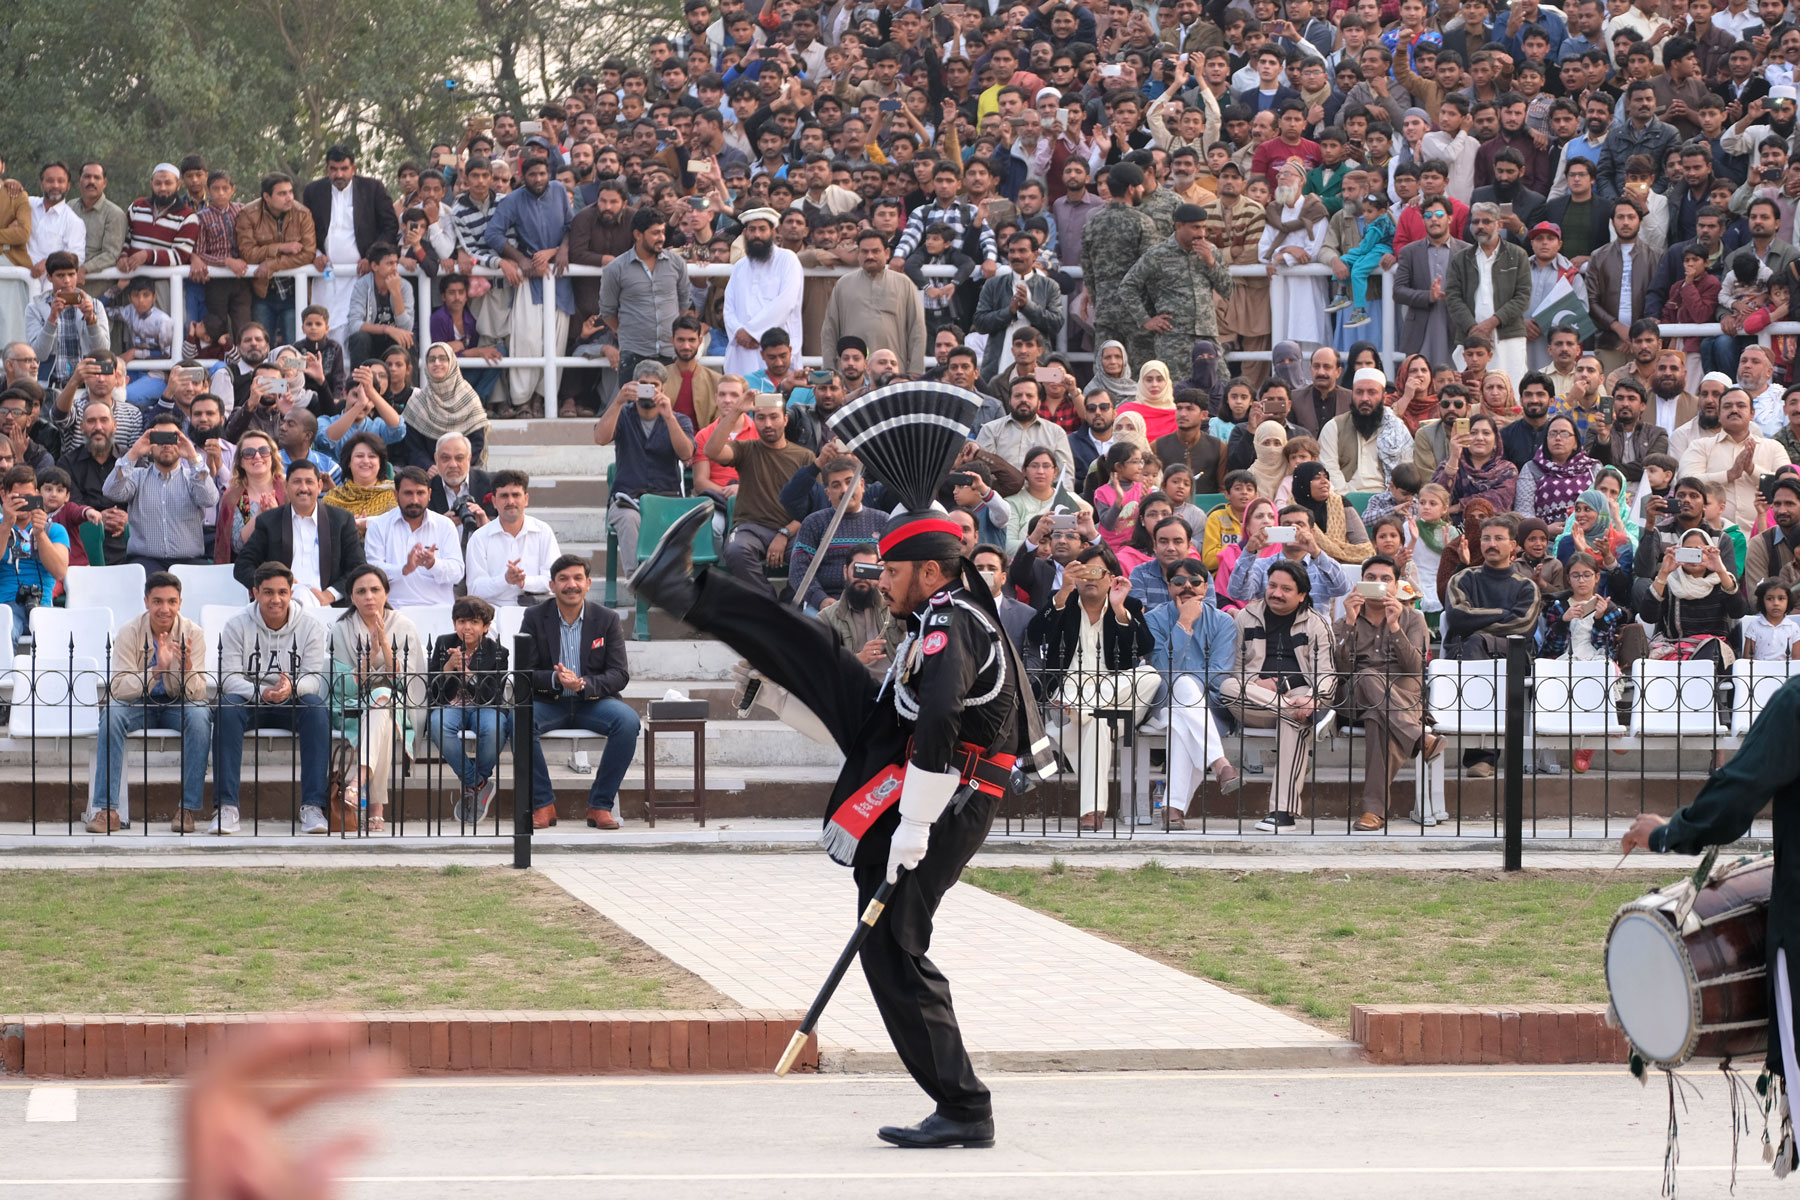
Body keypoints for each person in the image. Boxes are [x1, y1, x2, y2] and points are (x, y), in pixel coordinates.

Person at [630, 382, 1054, 1147]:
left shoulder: (952, 628)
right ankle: (683, 587)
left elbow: (938, 724)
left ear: (929, 570)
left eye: (892, 571)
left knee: (895, 946)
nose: (878, 581)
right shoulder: (933, 611)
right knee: (813, 651)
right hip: (903, 756)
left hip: (945, 792)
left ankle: (963, 1107)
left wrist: (915, 829)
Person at [520, 555, 638, 830]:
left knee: (628, 722)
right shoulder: (535, 617)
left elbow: (619, 674)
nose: (570, 585)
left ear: (588, 584)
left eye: (577, 578)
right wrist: (556, 680)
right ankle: (543, 804)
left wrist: (582, 684)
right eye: (563, 579)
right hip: (550, 701)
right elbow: (523, 672)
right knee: (519, 720)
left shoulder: (606, 619)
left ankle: (600, 805)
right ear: (552, 585)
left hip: (593, 702)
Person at [213, 563, 332, 834]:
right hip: (250, 698)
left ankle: (313, 807)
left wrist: (292, 688)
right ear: (254, 592)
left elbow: (314, 679)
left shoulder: (311, 627)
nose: (275, 599)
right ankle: (226, 808)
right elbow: (229, 678)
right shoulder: (236, 625)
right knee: (227, 707)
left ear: (291, 593)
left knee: (316, 708)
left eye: (282, 592)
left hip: (292, 698)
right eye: (267, 592)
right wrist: (260, 692)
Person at [1223, 559, 1338, 831]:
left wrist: (1311, 700)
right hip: (1253, 701)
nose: (1276, 593)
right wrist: (1261, 685)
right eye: (1272, 586)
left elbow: (1327, 676)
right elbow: (1235, 671)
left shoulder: (1317, 624)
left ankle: (1282, 814)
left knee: (1295, 720)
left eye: (1286, 589)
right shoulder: (1246, 617)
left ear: (1301, 595)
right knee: (1227, 686)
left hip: (1302, 698)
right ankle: (1306, 714)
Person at [93, 571, 211, 834]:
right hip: (138, 704)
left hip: (178, 703)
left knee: (201, 717)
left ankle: (187, 809)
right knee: (111, 714)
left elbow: (198, 693)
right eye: (157, 601)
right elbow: (119, 687)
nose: (164, 608)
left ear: (180, 602)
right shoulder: (129, 631)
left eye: (171, 601)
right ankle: (107, 810)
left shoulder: (194, 633)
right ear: (146, 601)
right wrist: (156, 671)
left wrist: (186, 669)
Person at [1335, 555, 1438, 831]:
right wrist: (1349, 622)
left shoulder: (1413, 619)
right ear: (1360, 583)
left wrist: (1394, 626)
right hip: (1356, 697)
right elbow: (1341, 668)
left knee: (1378, 719)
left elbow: (1414, 667)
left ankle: (1372, 811)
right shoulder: (1348, 617)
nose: (1378, 583)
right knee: (1368, 676)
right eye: (1371, 578)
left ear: (1396, 586)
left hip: (1401, 701)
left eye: (1385, 579)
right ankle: (1418, 737)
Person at [1141, 557, 1243, 827]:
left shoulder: (1222, 622)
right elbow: (1161, 670)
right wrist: (1183, 625)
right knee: (1182, 689)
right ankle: (1220, 764)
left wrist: (1187, 682)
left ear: (1206, 587)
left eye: (1195, 581)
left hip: (1208, 707)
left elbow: (1219, 675)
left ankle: (1172, 809)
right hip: (1160, 703)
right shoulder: (1154, 619)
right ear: (1168, 586)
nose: (1187, 586)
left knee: (1182, 720)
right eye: (1178, 581)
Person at [1442, 514, 1543, 777]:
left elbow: (1523, 625)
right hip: (1468, 654)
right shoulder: (1463, 579)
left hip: (1512, 654)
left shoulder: (1527, 587)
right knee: (1475, 644)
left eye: (1499, 538)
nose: (1491, 544)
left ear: (1514, 546)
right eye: (1486, 538)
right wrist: (1501, 612)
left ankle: (1484, 756)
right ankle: (1482, 756)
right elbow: (1456, 617)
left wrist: (1477, 621)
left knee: (1477, 640)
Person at [327, 563, 426, 832]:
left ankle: (357, 784)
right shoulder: (341, 629)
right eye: (361, 591)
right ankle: (376, 806)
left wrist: (384, 644)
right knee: (380, 706)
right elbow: (341, 686)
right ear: (352, 596)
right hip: (352, 705)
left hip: (398, 704)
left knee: (383, 699)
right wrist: (370, 654)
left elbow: (408, 681)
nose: (369, 596)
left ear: (386, 593)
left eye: (375, 589)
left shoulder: (403, 625)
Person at [483, 156, 575, 413]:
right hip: (530, 280)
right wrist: (521, 259)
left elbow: (571, 226)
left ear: (549, 173)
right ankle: (522, 400)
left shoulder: (558, 190)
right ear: (522, 177)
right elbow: (492, 233)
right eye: (532, 174)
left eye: (542, 173)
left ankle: (542, 400)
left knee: (555, 343)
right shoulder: (514, 200)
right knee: (527, 341)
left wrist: (561, 250)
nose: (538, 179)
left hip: (559, 278)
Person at [705, 389, 813, 597]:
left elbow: (814, 506)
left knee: (809, 554)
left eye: (774, 417)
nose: (768, 424)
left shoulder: (804, 456)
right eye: (761, 418)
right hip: (750, 528)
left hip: (792, 530)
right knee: (736, 551)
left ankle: (791, 602)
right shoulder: (745, 449)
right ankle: (768, 603)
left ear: (785, 419)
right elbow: (711, 451)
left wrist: (784, 534)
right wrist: (737, 410)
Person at [595, 363, 697, 576]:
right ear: (633, 384)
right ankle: (638, 579)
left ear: (663, 389)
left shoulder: (679, 419)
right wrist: (618, 400)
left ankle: (667, 580)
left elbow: (686, 453)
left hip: (666, 499)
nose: (648, 389)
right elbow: (600, 438)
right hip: (627, 498)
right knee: (629, 519)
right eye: (643, 384)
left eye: (654, 385)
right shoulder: (622, 414)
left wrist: (668, 417)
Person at [427, 594, 513, 822]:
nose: (467, 627)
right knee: (437, 724)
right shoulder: (443, 643)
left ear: (485, 627)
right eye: (462, 621)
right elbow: (434, 694)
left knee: (494, 727)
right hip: (452, 705)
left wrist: (468, 674)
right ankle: (478, 783)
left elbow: (493, 695)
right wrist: (447, 668)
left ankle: (472, 787)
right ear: (454, 623)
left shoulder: (498, 652)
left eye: (474, 622)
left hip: (484, 706)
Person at [232, 460, 365, 604]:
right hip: (280, 607)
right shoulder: (269, 521)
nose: (303, 488)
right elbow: (243, 565)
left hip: (329, 608)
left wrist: (329, 595)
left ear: (320, 486)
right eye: (297, 482)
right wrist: (272, 584)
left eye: (309, 482)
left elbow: (357, 567)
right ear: (286, 486)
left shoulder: (341, 520)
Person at [101, 413, 220, 573]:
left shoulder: (194, 477)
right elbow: (111, 491)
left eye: (172, 438)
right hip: (145, 562)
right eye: (159, 438)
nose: (166, 444)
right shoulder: (137, 476)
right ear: (150, 445)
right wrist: (133, 453)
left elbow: (210, 499)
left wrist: (193, 456)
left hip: (189, 562)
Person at [1679, 388, 1789, 531]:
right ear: (1719, 415)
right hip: (1710, 538)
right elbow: (1686, 481)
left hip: (1763, 539)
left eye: (1741, 405)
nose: (1734, 410)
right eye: (1727, 406)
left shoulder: (1773, 447)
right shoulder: (1701, 446)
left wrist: (1751, 469)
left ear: (1752, 414)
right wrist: (1729, 475)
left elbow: (1789, 485)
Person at [820, 229, 927, 376]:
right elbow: (829, 330)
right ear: (858, 254)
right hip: (853, 374)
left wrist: (915, 371)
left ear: (887, 253)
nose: (870, 256)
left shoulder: (903, 283)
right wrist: (829, 370)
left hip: (894, 372)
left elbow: (917, 329)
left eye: (876, 251)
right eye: (864, 251)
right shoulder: (843, 284)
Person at [1447, 203, 1533, 383]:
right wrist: (1473, 328)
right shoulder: (1460, 259)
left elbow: (1523, 296)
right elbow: (1453, 297)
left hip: (1508, 335)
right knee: (1470, 389)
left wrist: (1492, 323)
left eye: (1486, 221)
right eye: (1476, 222)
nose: (1480, 226)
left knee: (1510, 387)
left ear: (1499, 225)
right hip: (1470, 338)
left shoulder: (1517, 255)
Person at [362, 466, 464, 608]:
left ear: (429, 494)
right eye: (408, 493)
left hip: (438, 609)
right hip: (393, 610)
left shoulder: (445, 525)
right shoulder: (379, 525)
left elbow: (457, 572)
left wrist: (433, 564)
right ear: (396, 495)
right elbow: (373, 571)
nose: (414, 500)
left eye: (420, 493)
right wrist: (404, 569)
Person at [722, 208, 805, 377]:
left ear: (773, 232)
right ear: (745, 234)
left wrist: (752, 332)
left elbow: (786, 302)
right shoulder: (740, 267)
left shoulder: (787, 259)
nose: (757, 235)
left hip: (777, 348)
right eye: (752, 230)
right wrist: (738, 331)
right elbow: (729, 307)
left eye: (762, 229)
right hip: (743, 349)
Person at [465, 469, 560, 607]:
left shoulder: (543, 531)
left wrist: (524, 582)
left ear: (526, 499)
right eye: (504, 496)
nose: (510, 501)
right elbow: (474, 589)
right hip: (493, 615)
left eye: (516, 495)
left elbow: (554, 580)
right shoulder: (479, 538)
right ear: (494, 501)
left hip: (535, 612)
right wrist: (505, 580)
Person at [1227, 501, 1353, 604]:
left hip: (1314, 632)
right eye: (1287, 525)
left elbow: (1342, 588)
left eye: (1300, 524)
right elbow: (1238, 593)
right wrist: (1249, 552)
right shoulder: (1262, 566)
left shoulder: (1322, 565)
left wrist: (1316, 551)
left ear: (1312, 533)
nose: (1294, 529)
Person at [0, 465, 69, 638]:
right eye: (17, 498)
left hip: (41, 606)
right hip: (4, 608)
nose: (23, 503)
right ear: (3, 496)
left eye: (29, 498)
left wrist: (40, 534)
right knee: (4, 631)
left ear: (37, 496)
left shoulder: (54, 530)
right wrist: (7, 524)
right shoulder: (1, 526)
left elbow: (60, 571)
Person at [1319, 368, 1413, 492]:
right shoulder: (1334, 427)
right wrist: (1347, 501)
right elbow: (1329, 470)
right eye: (1359, 392)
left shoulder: (1397, 429)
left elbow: (1406, 471)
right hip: (1344, 500)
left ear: (1384, 397)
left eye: (1372, 392)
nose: (1364, 398)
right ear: (1352, 395)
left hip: (1388, 500)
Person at [815, 544, 903, 676]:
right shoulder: (827, 617)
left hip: (893, 685)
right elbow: (819, 664)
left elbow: (916, 623)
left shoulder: (895, 606)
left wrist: (894, 575)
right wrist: (857, 659)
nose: (863, 578)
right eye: (858, 569)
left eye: (869, 570)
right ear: (845, 572)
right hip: (853, 687)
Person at [399, 345, 490, 472]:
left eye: (443, 358)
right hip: (428, 475)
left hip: (463, 472)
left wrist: (456, 466)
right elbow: (413, 447)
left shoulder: (469, 399)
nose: (437, 363)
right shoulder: (417, 402)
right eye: (432, 359)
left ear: (452, 362)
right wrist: (429, 466)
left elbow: (477, 443)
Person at [1516, 414, 1599, 528]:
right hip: (1546, 540)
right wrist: (1545, 531)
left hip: (1589, 536)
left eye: (1565, 434)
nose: (1558, 438)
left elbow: (1604, 506)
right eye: (1553, 434)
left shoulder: (1592, 468)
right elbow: (1524, 512)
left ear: (1576, 443)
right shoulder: (1532, 468)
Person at [213, 430, 284, 565]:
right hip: (248, 569)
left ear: (272, 456)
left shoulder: (288, 490)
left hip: (286, 567)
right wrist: (259, 515)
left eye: (263, 450)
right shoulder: (235, 496)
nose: (257, 456)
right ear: (240, 462)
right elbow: (237, 546)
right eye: (249, 453)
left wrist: (275, 515)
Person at [1287, 463, 1375, 566]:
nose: (1325, 482)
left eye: (1326, 477)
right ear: (1303, 482)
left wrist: (1340, 555)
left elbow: (1364, 548)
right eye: (1316, 477)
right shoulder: (1290, 512)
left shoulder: (1341, 504)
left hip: (1344, 566)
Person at [1432, 413, 1519, 517]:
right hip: (1451, 529)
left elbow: (1497, 499)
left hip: (1492, 528)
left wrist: (1457, 507)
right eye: (1473, 433)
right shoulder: (1448, 464)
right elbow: (1436, 497)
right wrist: (1454, 457)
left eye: (1486, 433)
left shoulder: (1506, 470)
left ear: (1496, 440)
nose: (1479, 438)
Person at [321, 432, 397, 534]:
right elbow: (325, 537)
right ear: (349, 462)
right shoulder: (332, 499)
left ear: (380, 463)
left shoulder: (395, 495)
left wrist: (369, 527)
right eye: (359, 456)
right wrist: (350, 530)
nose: (366, 461)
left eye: (372, 456)